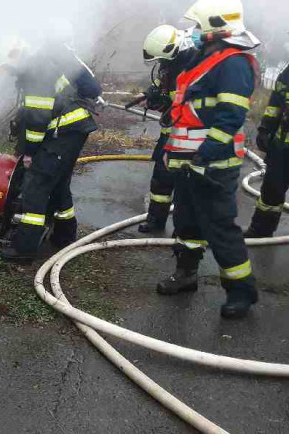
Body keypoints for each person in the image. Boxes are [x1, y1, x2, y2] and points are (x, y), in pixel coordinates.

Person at [157, 0, 261, 319]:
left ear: (216, 27)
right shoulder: (206, 58)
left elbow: (230, 118)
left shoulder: (233, 63)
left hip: (214, 164)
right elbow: (190, 112)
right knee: (187, 221)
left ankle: (241, 291)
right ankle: (186, 274)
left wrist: (205, 155)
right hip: (189, 161)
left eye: (199, 27)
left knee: (219, 226)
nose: (194, 33)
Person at [0, 37, 102, 261]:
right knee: (58, 182)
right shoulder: (39, 65)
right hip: (72, 131)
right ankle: (64, 236)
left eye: (10, 68)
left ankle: (24, 249)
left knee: (36, 184)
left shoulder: (35, 72)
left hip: (63, 133)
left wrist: (29, 153)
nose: (9, 74)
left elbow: (37, 119)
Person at [137, 25, 198, 233]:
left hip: (187, 137)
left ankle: (185, 231)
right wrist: (150, 96)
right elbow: (161, 87)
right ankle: (156, 220)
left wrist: (162, 101)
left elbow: (186, 104)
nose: (160, 63)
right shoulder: (169, 63)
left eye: (161, 58)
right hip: (169, 134)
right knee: (161, 180)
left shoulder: (192, 66)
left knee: (184, 185)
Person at [243, 62, 289, 237]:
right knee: (271, 190)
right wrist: (265, 129)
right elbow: (276, 103)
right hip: (282, 146)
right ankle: (260, 230)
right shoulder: (288, 73)